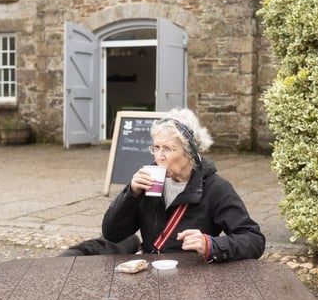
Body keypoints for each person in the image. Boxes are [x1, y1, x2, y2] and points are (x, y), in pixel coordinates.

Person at [101, 108, 265, 262]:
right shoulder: (147, 183)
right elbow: (112, 233)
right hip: (152, 270)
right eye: (156, 147)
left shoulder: (215, 188)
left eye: (168, 149)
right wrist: (131, 194)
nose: (160, 156)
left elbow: (254, 240)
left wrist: (211, 245)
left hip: (191, 278)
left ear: (190, 153)